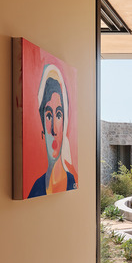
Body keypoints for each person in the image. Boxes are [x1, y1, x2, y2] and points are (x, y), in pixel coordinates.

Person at [28, 64, 77, 198]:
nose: (54, 130)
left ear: (65, 124)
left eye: (59, 115)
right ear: (42, 129)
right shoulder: (35, 190)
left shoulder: (72, 182)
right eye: (49, 116)